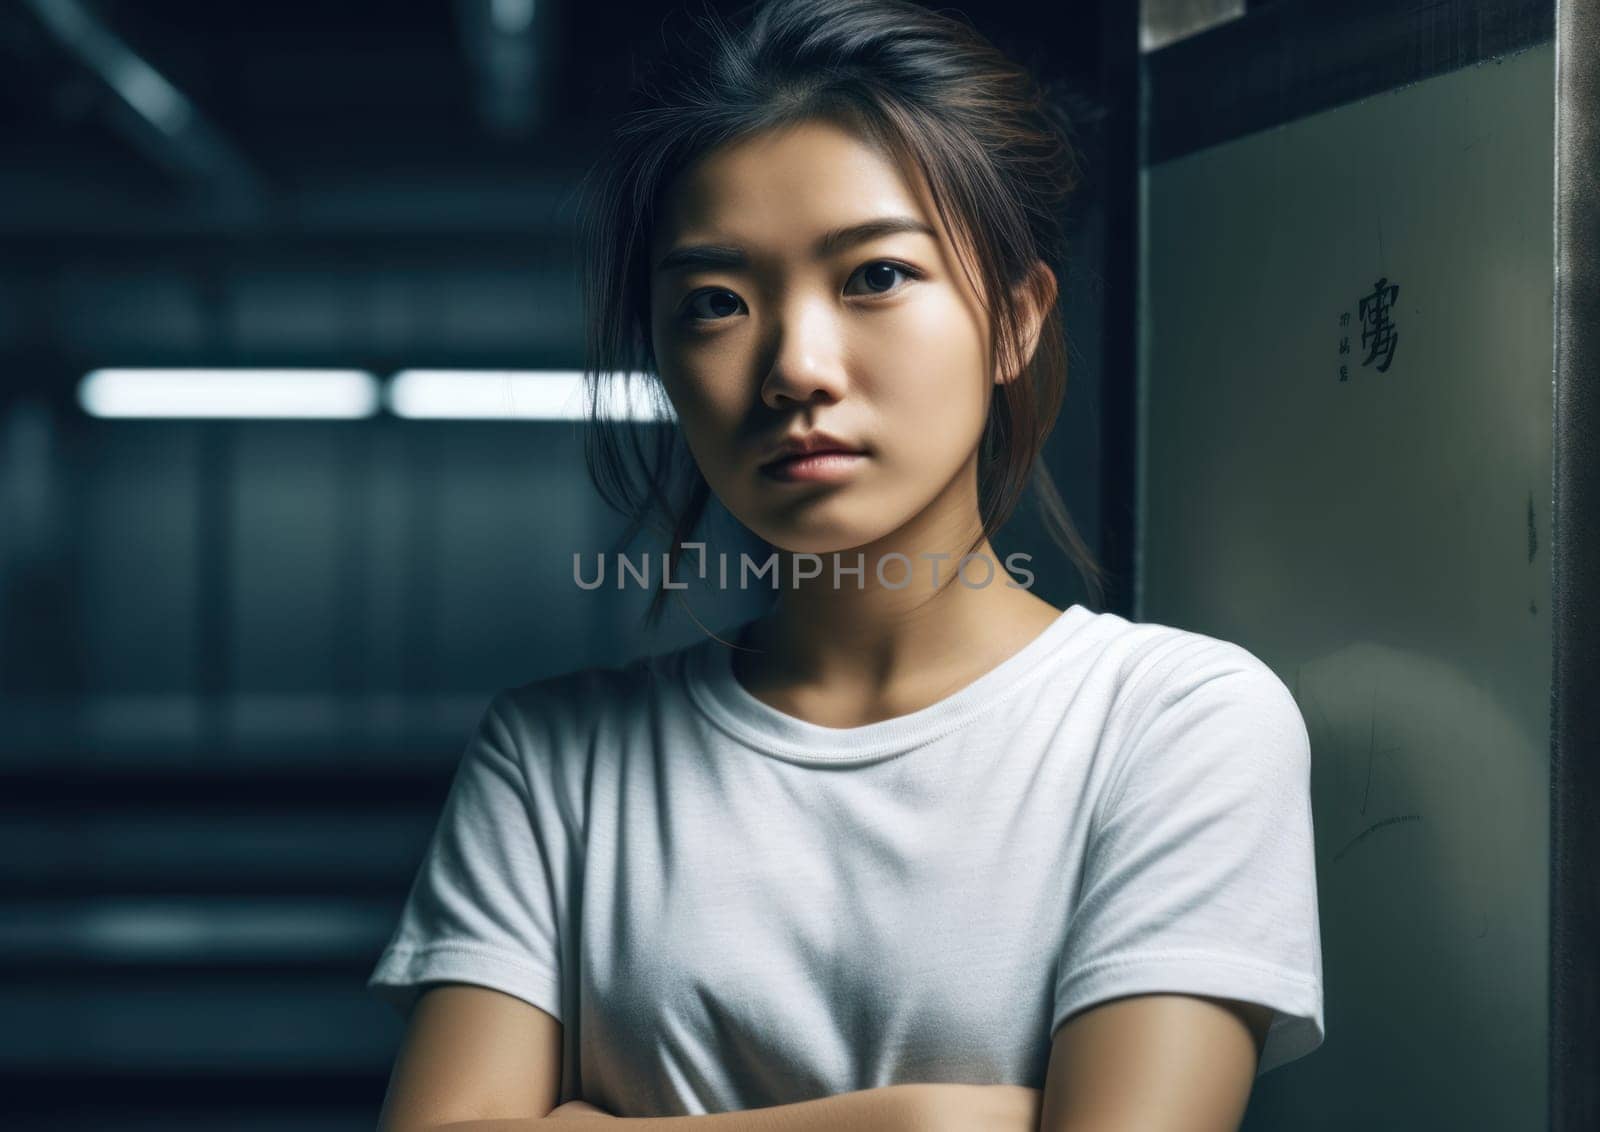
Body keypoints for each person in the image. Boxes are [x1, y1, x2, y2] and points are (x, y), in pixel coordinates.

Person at [366, 1, 1325, 1128]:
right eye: (714, 303)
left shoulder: (1175, 724)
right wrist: (924, 1122)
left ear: (1014, 319)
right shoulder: (552, 763)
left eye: (873, 276)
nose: (794, 367)